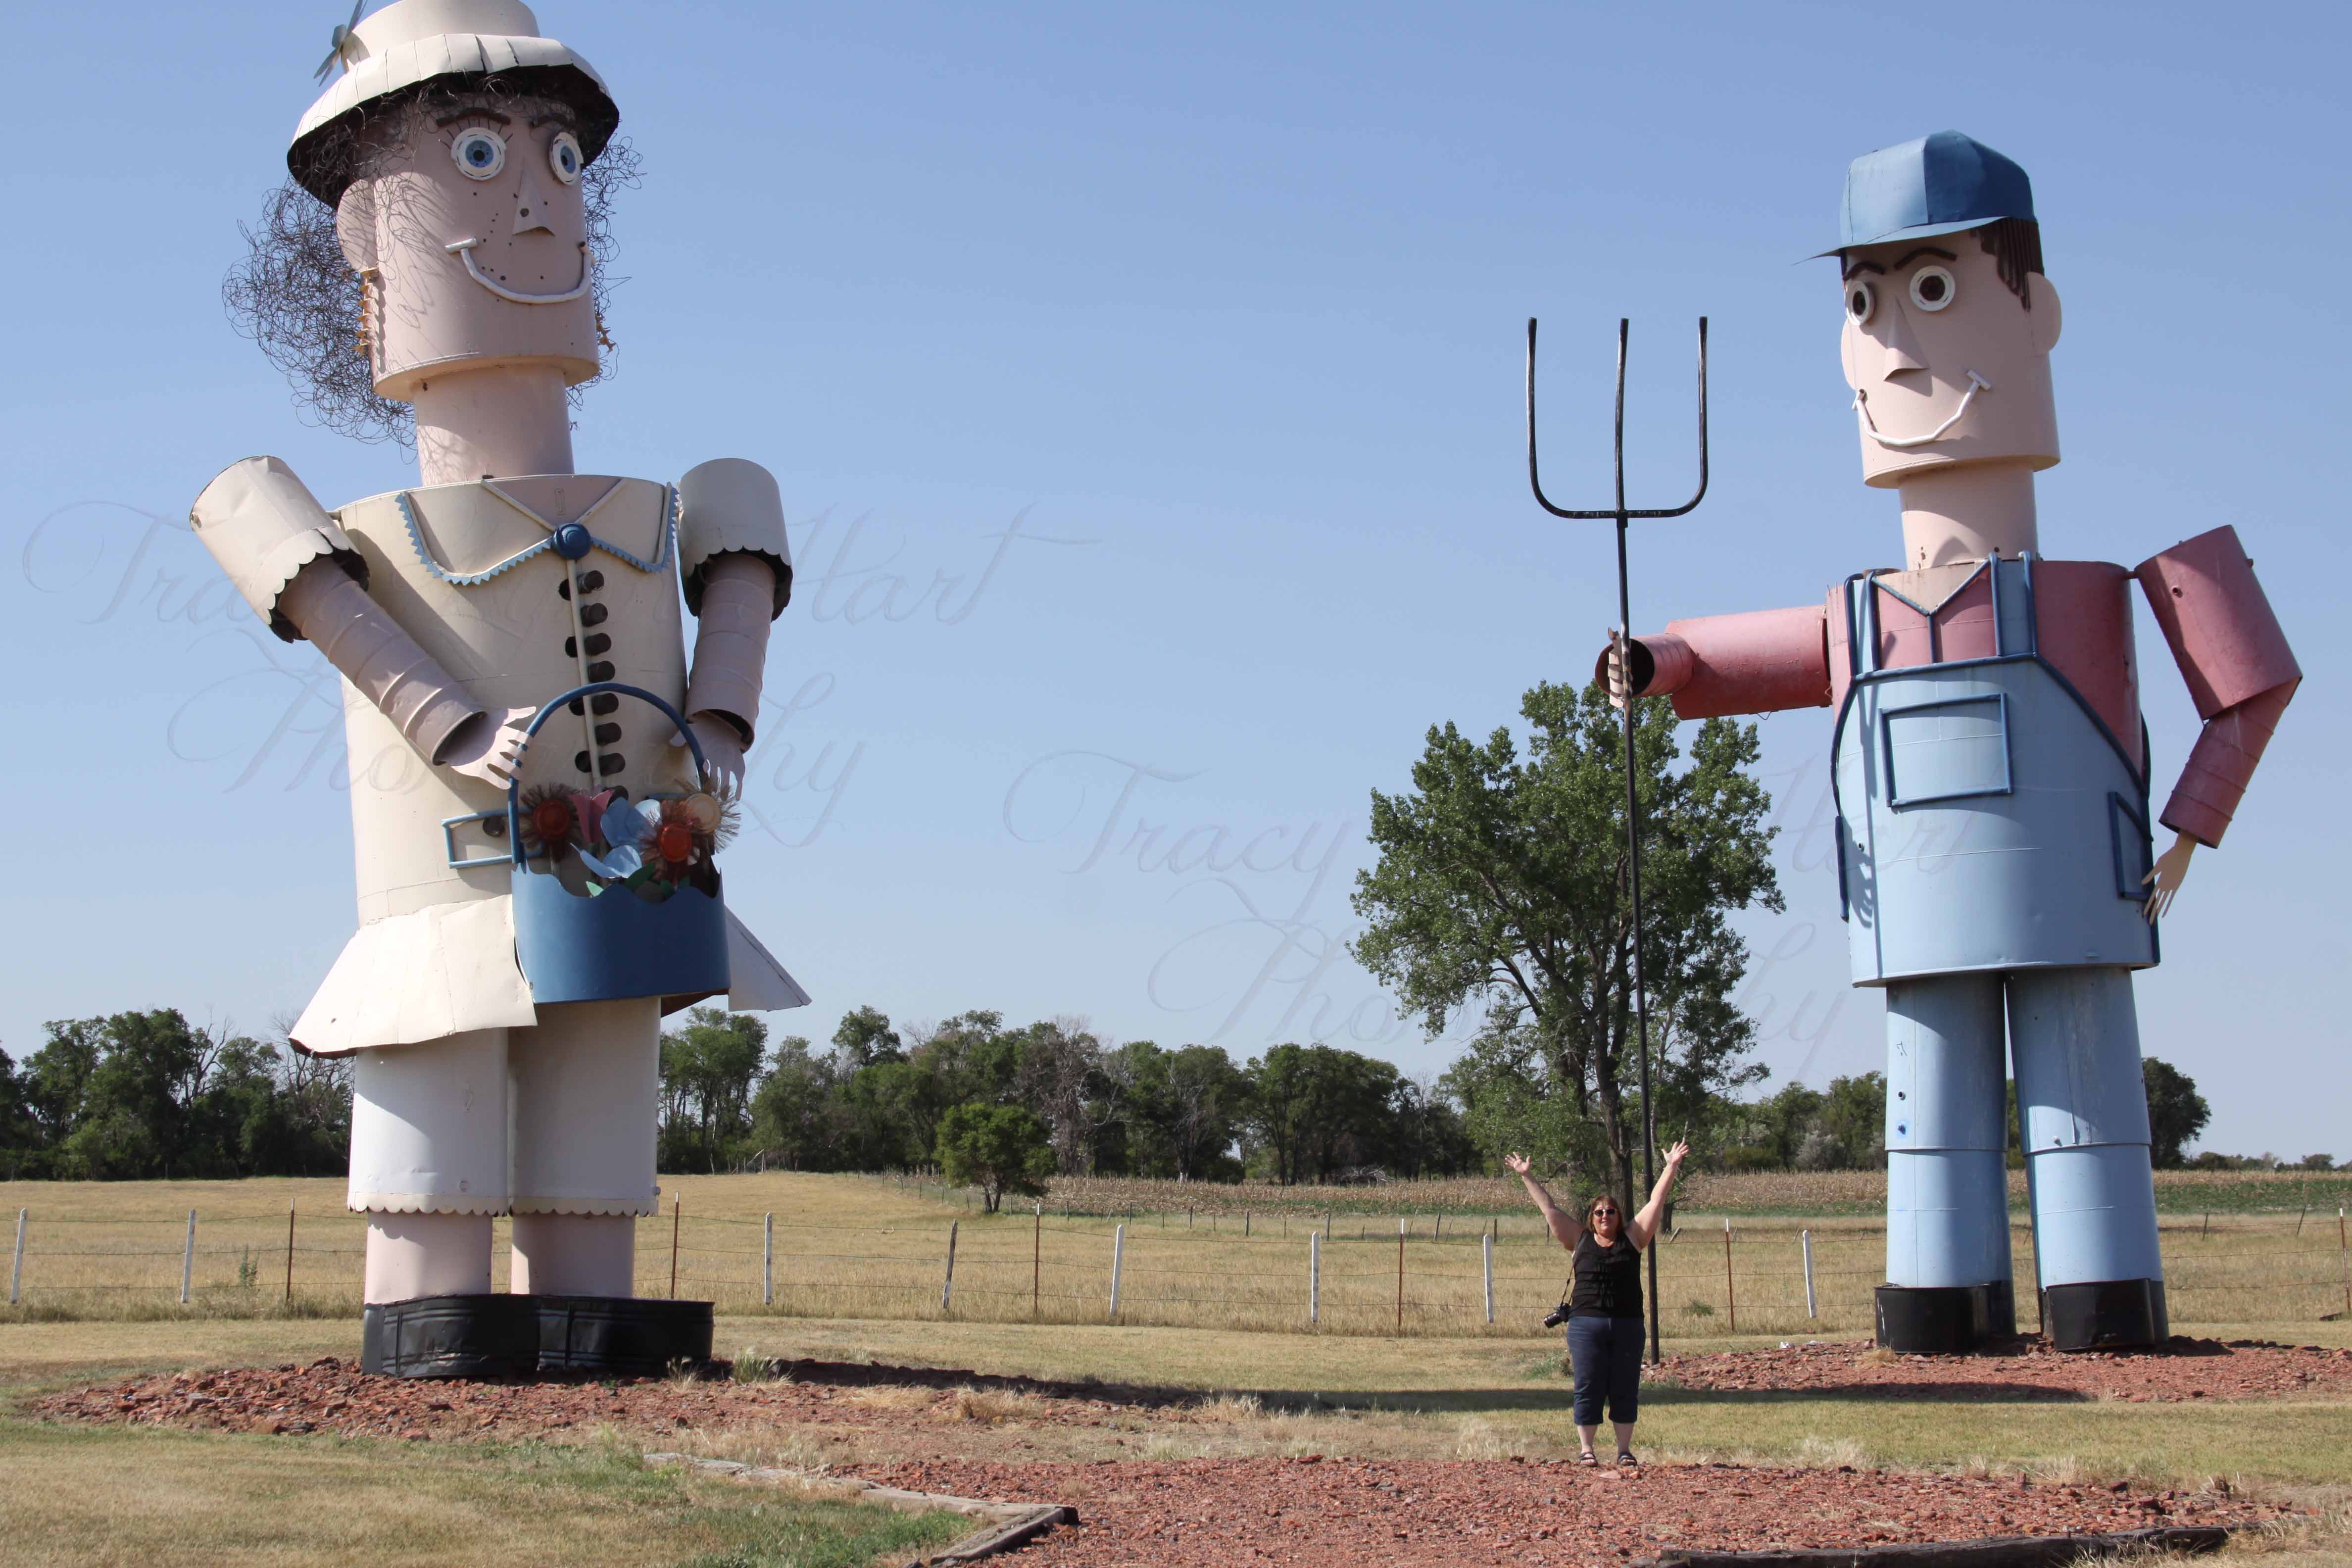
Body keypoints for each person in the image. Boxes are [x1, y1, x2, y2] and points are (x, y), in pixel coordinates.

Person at [1506, 1144, 1688, 1466]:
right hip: (1586, 1325)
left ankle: (1624, 1451)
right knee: (1588, 1385)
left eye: (1611, 1212)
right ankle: (1587, 1450)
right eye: (1599, 1212)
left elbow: (1656, 1202)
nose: (1606, 1216)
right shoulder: (1579, 1240)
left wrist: (1671, 1167)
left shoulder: (1633, 1238)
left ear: (1619, 1216)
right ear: (1591, 1218)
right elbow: (1549, 1210)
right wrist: (1527, 1176)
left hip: (1628, 1324)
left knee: (1625, 1387)